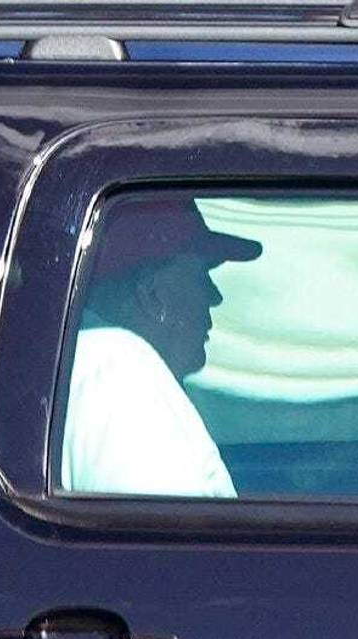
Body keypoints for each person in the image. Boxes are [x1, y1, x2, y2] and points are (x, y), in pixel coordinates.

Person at [60, 199, 261, 498]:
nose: (215, 296)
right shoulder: (121, 375)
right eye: (201, 275)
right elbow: (175, 543)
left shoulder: (83, 368)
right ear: (153, 296)